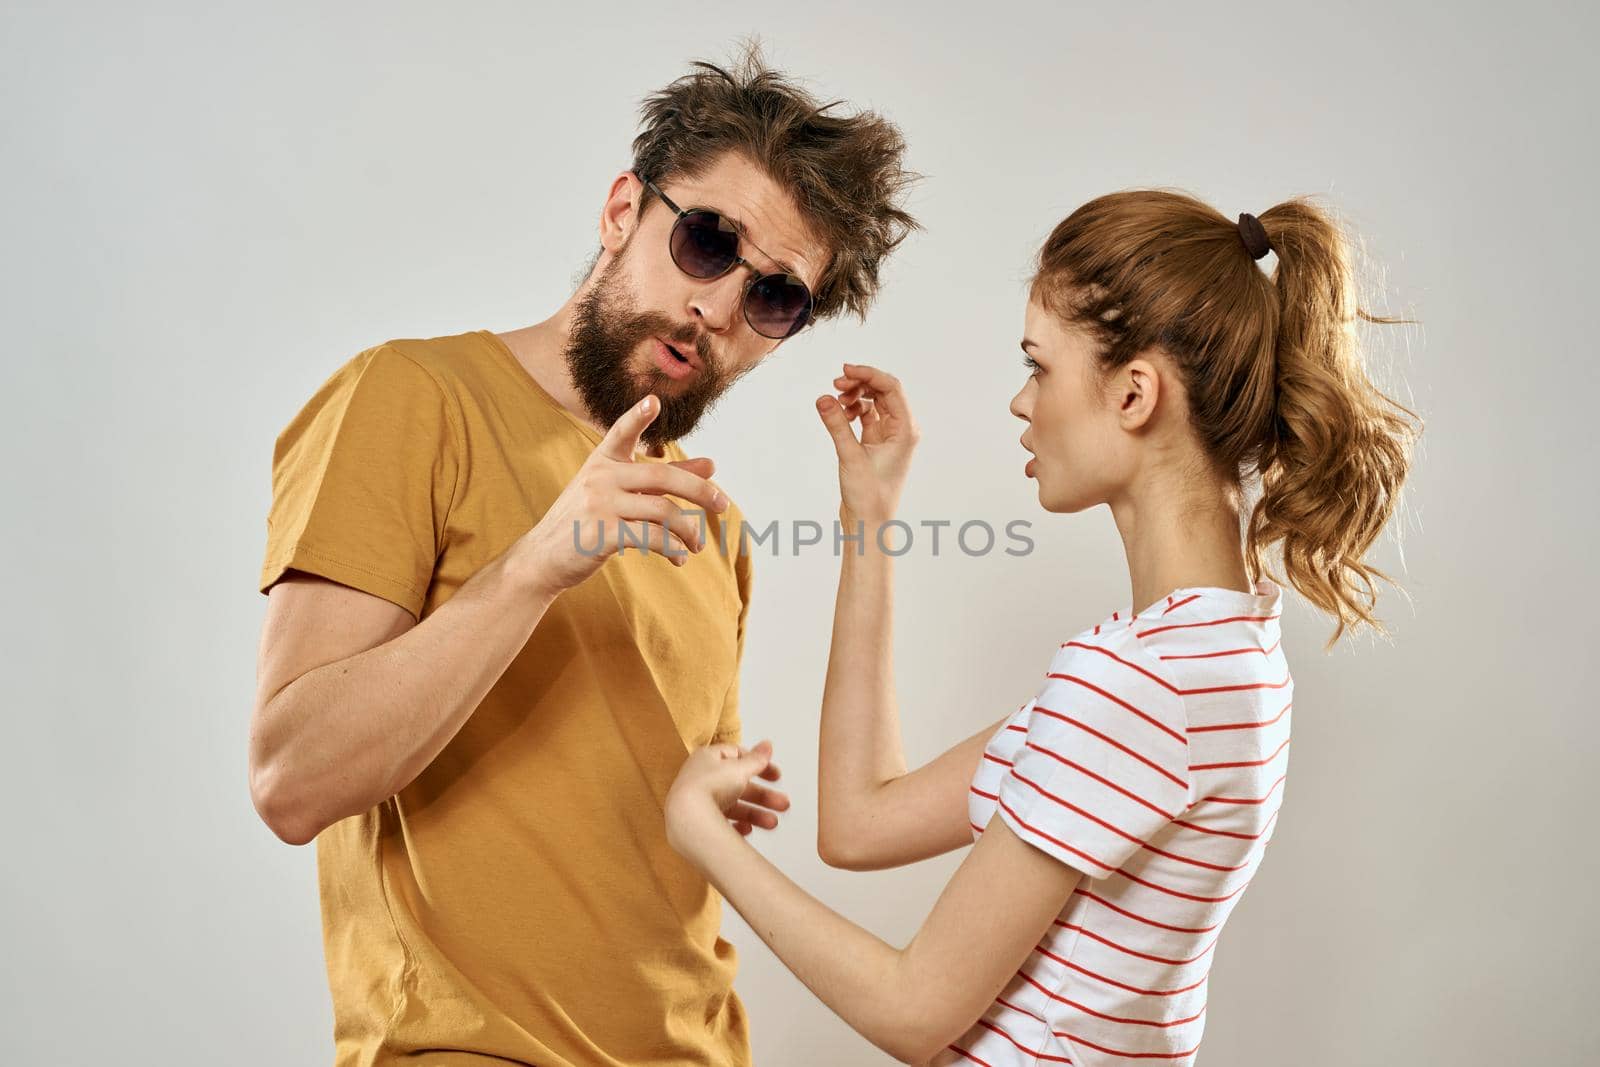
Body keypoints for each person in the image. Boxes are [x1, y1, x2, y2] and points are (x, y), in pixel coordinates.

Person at [247, 50, 916, 1066]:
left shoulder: (709, 524)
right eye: (706, 240)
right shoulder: (411, 397)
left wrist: (706, 791)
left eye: (775, 297)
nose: (721, 307)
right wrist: (534, 566)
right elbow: (289, 776)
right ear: (620, 213)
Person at [665, 191, 1421, 1064]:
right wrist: (870, 518)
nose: (1023, 403)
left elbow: (916, 1011)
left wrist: (704, 838)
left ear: (1135, 392)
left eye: (1040, 365)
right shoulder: (1225, 653)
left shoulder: (1135, 686)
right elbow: (860, 822)